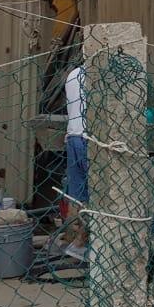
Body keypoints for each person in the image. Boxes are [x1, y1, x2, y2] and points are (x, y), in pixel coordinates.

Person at [62, 64, 88, 261]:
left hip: (73, 137)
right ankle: (82, 242)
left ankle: (75, 241)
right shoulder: (99, 75)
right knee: (101, 195)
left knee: (78, 197)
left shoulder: (73, 74)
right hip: (90, 140)